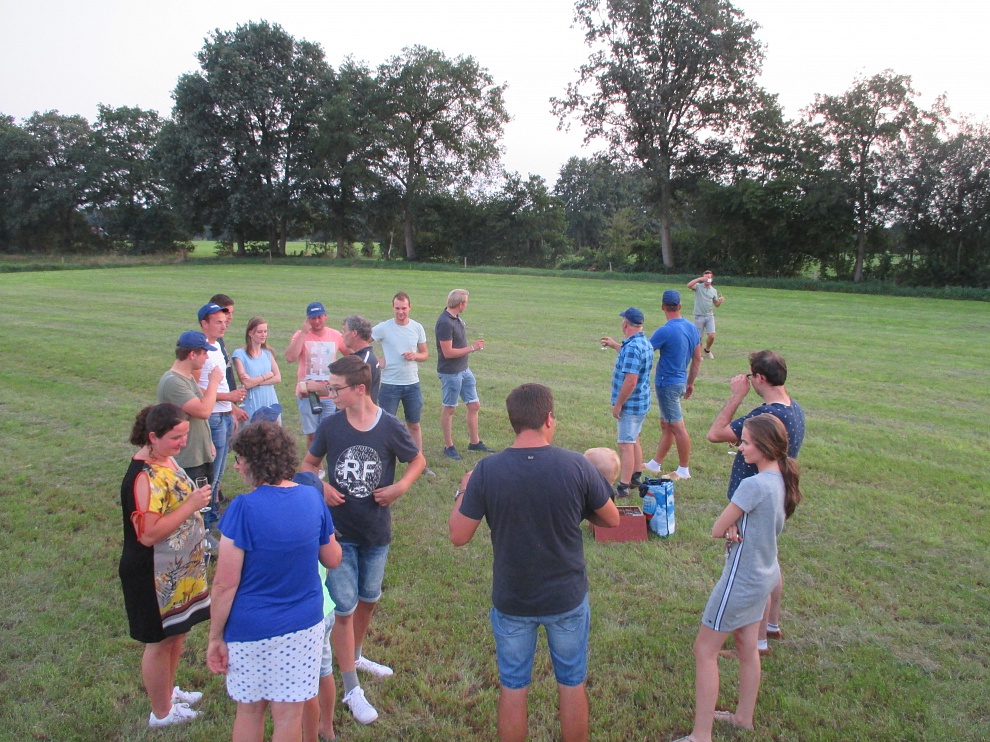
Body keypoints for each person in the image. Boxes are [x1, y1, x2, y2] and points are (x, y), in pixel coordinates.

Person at [449, 383, 620, 742]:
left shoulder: (487, 470)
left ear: (512, 421)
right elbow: (612, 519)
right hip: (566, 596)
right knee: (572, 682)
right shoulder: (576, 465)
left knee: (513, 686)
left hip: (513, 598)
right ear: (549, 419)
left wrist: (465, 487)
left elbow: (458, 535)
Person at [300, 355, 426, 725]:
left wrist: (401, 486)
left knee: (369, 598)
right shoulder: (331, 425)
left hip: (375, 530)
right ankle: (351, 688)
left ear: (359, 389)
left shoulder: (389, 426)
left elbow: (417, 460)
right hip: (338, 534)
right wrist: (321, 487)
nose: (330, 394)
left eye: (335, 388)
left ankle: (355, 655)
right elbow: (308, 465)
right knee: (343, 608)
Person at [207, 422, 342, 742]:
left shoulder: (242, 508)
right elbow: (333, 558)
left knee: (249, 712)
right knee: (289, 716)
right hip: (303, 626)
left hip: (250, 628)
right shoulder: (312, 499)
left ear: (255, 462)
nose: (236, 466)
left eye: (240, 459)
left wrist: (215, 637)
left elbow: (225, 585)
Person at [674, 414, 802, 742]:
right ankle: (743, 718)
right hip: (765, 576)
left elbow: (717, 529)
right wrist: (736, 524)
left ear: (764, 447)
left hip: (741, 580)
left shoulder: (753, 486)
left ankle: (701, 735)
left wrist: (730, 525)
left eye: (745, 443)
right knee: (747, 645)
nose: (740, 447)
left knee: (704, 650)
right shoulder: (781, 479)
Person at [119, 403, 212, 728]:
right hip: (153, 574)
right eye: (175, 437)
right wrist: (191, 505)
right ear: (152, 437)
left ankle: (168, 693)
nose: (182, 443)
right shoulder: (143, 477)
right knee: (160, 643)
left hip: (179, 571)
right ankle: (161, 713)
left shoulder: (165, 458)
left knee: (176, 635)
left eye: (185, 435)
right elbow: (148, 535)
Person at [707, 350, 806, 652]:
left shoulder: (766, 417)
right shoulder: (793, 408)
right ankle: (771, 625)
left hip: (752, 504)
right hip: (775, 495)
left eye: (750, 376)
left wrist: (737, 395)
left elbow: (715, 433)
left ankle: (757, 640)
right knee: (769, 561)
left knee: (753, 570)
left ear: (759, 378)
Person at [198, 303, 249, 530]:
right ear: (204, 324)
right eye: (218, 322)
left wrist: (232, 409)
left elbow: (222, 382)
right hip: (213, 417)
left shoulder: (217, 346)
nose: (224, 325)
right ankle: (206, 521)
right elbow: (195, 388)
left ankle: (212, 513)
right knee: (211, 473)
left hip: (224, 415)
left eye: (224, 321)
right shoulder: (201, 351)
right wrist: (228, 397)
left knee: (218, 473)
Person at [643, 290, 702, 480]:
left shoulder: (665, 331)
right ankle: (655, 464)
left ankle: (684, 470)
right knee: (667, 424)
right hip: (680, 382)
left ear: (662, 306)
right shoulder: (692, 328)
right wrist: (690, 382)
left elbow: (643, 351)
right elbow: (697, 358)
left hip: (666, 384)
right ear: (680, 306)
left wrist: (615, 345)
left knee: (677, 427)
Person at [156, 331, 222, 492]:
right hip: (188, 460)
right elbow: (204, 411)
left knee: (205, 502)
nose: (207, 357)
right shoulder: (173, 383)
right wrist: (214, 382)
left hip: (199, 455)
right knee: (193, 504)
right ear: (192, 354)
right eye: (204, 353)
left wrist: (208, 443)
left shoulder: (187, 378)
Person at [372, 292, 431, 470]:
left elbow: (425, 354)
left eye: (404, 308)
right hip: (390, 385)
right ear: (393, 308)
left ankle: (419, 464)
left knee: (414, 424)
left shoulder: (417, 327)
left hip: (412, 384)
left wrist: (415, 356)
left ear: (409, 307)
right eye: (397, 308)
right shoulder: (384, 327)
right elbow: (361, 343)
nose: (400, 312)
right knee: (385, 425)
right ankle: (383, 463)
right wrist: (377, 361)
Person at [435, 288, 495, 460]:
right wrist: (472, 348)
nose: (466, 305)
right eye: (466, 302)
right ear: (460, 304)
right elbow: (447, 353)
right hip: (450, 372)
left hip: (464, 369)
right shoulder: (445, 323)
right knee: (449, 408)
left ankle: (474, 443)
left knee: (474, 405)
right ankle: (449, 446)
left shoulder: (456, 319)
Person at [600, 307, 653, 497]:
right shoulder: (643, 342)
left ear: (625, 324)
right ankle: (636, 476)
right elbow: (630, 356)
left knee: (625, 445)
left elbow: (631, 381)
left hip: (630, 405)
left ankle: (623, 486)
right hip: (642, 401)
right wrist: (614, 345)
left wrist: (618, 404)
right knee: (634, 437)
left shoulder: (632, 348)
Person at [285, 301, 351, 446]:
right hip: (307, 394)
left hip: (329, 393)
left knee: (328, 433)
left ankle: (325, 458)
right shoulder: (300, 335)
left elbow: (351, 355)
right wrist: (303, 333)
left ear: (325, 316)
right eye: (313, 318)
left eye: (320, 317)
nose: (317, 321)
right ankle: (314, 461)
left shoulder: (335, 335)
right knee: (312, 435)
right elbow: (290, 357)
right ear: (307, 319)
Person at [232, 317, 282, 424]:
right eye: (259, 332)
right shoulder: (239, 354)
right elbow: (246, 383)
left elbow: (278, 378)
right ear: (250, 333)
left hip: (269, 398)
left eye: (265, 331)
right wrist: (267, 375)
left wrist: (256, 382)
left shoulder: (267, 353)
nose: (263, 335)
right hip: (252, 401)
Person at [342, 314, 381, 404]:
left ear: (354, 333)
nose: (342, 335)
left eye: (344, 331)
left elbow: (350, 391)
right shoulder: (361, 357)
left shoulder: (363, 362)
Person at [686, 271, 724, 360]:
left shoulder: (713, 290)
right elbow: (689, 285)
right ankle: (699, 354)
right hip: (699, 315)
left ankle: (707, 350)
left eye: (709, 278)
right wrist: (699, 279)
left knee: (712, 335)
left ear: (712, 279)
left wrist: (720, 301)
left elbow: (716, 304)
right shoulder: (698, 287)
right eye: (705, 278)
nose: (707, 280)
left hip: (710, 316)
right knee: (698, 337)